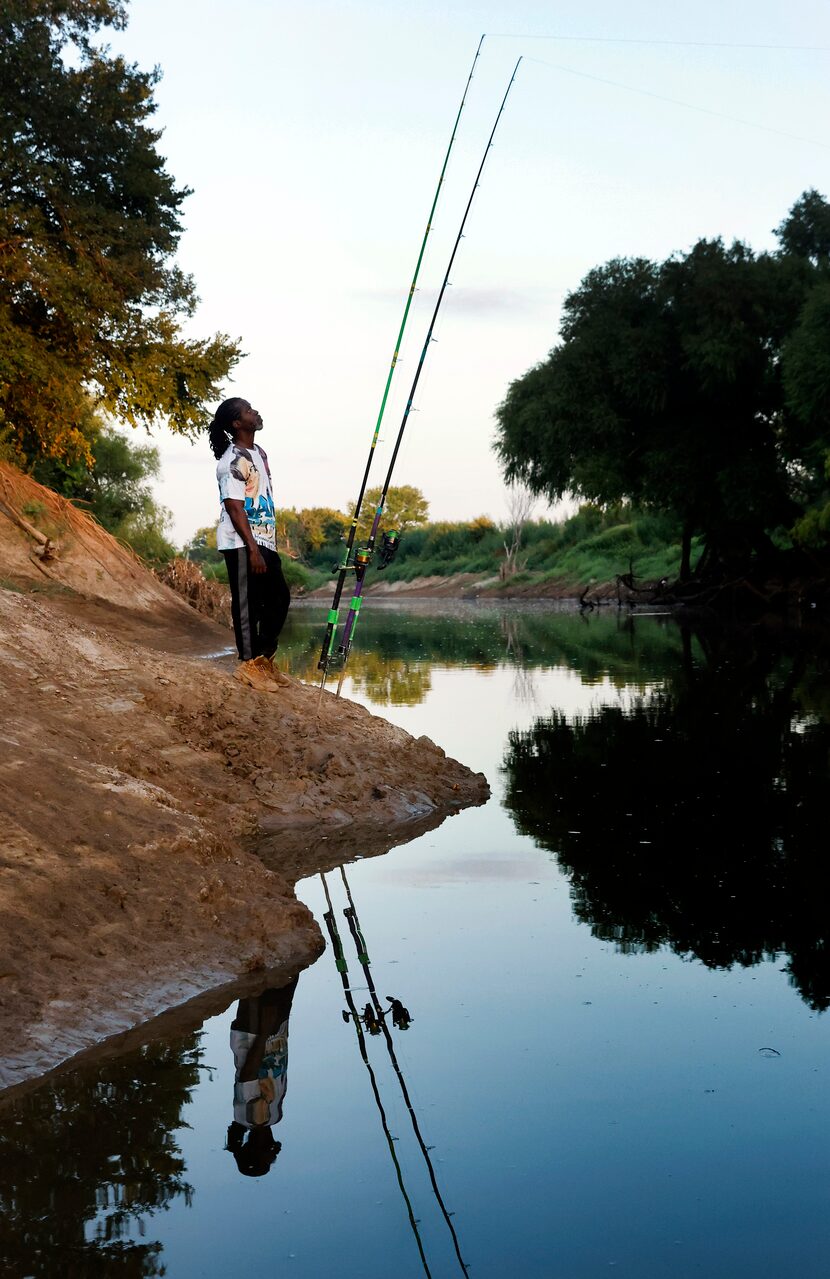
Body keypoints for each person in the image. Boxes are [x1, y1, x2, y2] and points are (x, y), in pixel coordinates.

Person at [208, 397, 291, 689]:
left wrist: (264, 544)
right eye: (247, 410)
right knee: (248, 605)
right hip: (242, 542)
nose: (254, 412)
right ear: (237, 423)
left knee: (280, 598)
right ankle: (247, 664)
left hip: (265, 540)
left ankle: (263, 661)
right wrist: (252, 548)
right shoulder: (231, 461)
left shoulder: (259, 453)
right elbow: (234, 507)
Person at [225, 977, 298, 1178]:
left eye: (268, 1157)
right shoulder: (273, 1118)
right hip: (274, 1035)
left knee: (261, 979)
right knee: (286, 975)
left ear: (258, 1150)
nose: (273, 1155)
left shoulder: (253, 1118)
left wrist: (265, 1031)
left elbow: (248, 1074)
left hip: (255, 1032)